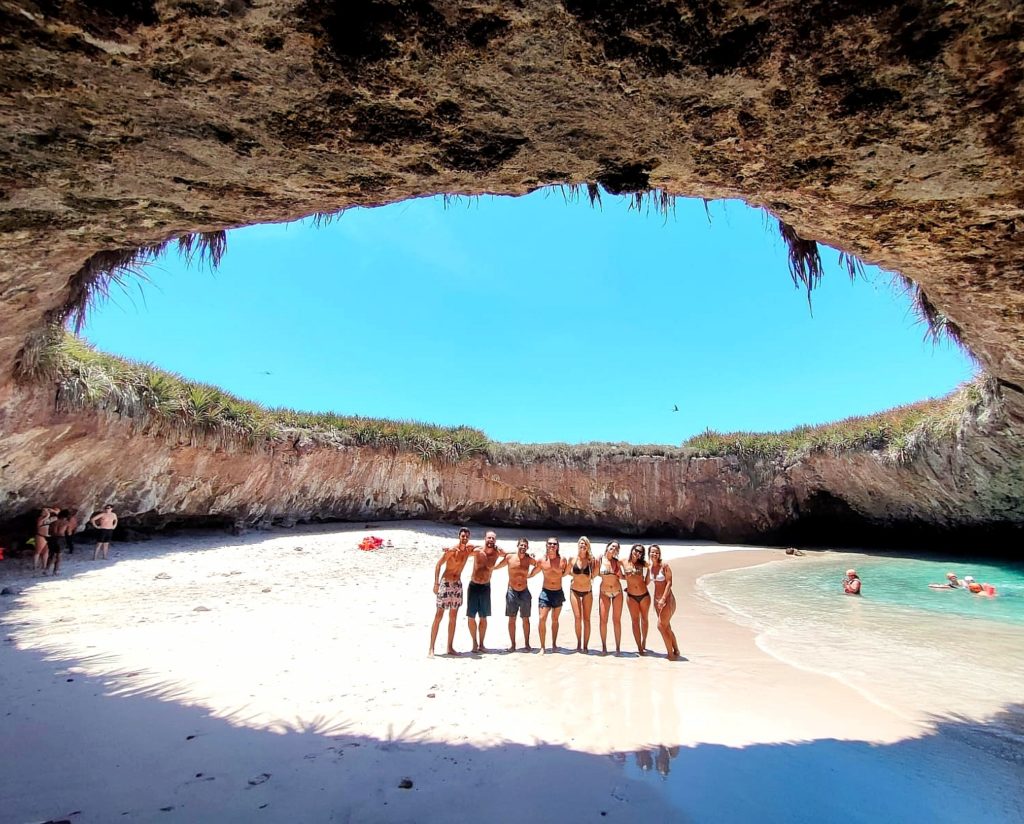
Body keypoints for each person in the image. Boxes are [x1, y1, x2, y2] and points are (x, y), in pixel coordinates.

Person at [429, 527, 475, 657]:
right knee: (439, 615)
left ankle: (450, 647)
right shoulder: (451, 551)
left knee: (453, 617)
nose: (464, 538)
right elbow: (438, 565)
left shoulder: (468, 551)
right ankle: (431, 648)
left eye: (466, 536)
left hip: (457, 585)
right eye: (462, 536)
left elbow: (482, 549)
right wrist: (436, 583)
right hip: (446, 583)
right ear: (459, 537)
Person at [494, 537, 538, 651]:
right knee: (512, 619)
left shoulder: (528, 559)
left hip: (524, 591)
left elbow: (539, 565)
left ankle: (527, 644)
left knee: (525, 618)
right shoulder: (510, 557)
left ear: (527, 548)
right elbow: (497, 566)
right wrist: (489, 567)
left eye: (525, 546)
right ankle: (513, 645)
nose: (523, 547)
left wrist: (532, 574)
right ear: (517, 546)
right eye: (521, 545)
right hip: (512, 591)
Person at [465, 530, 506, 653]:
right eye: (489, 538)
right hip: (474, 586)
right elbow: (464, 551)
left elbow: (508, 556)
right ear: (485, 539)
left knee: (483, 617)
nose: (491, 540)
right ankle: (474, 643)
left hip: (485, 587)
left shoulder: (497, 553)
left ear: (495, 541)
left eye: (493, 538)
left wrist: (497, 567)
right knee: (471, 616)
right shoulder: (478, 551)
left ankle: (482, 644)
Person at [529, 537, 569, 654]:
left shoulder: (563, 560)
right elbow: (533, 572)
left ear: (557, 546)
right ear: (546, 545)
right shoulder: (542, 560)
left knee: (555, 620)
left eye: (554, 544)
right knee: (542, 619)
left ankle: (554, 644)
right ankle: (542, 647)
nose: (552, 546)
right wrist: (522, 576)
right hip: (545, 593)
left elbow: (568, 572)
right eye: (550, 544)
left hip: (558, 592)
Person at [649, 545, 680, 660]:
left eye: (657, 552)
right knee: (666, 627)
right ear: (649, 554)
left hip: (667, 600)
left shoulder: (665, 566)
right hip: (657, 601)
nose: (654, 554)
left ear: (659, 554)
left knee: (661, 626)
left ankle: (670, 655)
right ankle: (676, 649)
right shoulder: (650, 568)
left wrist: (663, 599)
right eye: (652, 552)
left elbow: (669, 583)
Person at [568, 536, 597, 652]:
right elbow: (565, 572)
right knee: (577, 618)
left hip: (587, 591)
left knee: (587, 619)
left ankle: (585, 645)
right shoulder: (572, 559)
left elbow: (595, 573)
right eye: (581, 543)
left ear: (588, 546)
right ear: (578, 545)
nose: (583, 546)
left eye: (585, 544)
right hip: (574, 590)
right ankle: (579, 643)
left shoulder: (591, 561)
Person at [623, 544, 651, 654]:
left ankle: (644, 641)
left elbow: (652, 567)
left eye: (640, 552)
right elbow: (612, 564)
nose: (638, 553)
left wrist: (648, 574)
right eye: (636, 550)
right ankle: (639, 647)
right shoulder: (623, 561)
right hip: (631, 596)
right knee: (635, 621)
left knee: (644, 619)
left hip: (644, 595)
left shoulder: (643, 564)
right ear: (632, 550)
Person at [598, 541, 624, 654]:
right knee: (603, 620)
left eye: (616, 548)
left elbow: (622, 576)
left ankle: (618, 648)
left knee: (616, 620)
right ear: (607, 547)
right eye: (612, 546)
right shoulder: (599, 559)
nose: (613, 549)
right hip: (604, 592)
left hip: (617, 592)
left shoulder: (617, 562)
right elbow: (592, 573)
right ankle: (604, 647)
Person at [46, 510, 70, 576]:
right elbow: (69, 532)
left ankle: (47, 569)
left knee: (51, 554)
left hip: (53, 538)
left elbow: (49, 532)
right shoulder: (66, 523)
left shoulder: (53, 523)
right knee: (58, 556)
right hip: (61, 538)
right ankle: (55, 571)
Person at [33, 506, 57, 572]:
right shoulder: (40, 519)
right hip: (40, 536)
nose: (46, 512)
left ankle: (44, 565)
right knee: (38, 551)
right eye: (44, 511)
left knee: (46, 552)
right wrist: (48, 513)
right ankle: (35, 566)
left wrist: (54, 511)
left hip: (47, 536)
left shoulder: (48, 519)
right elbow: (42, 521)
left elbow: (58, 517)